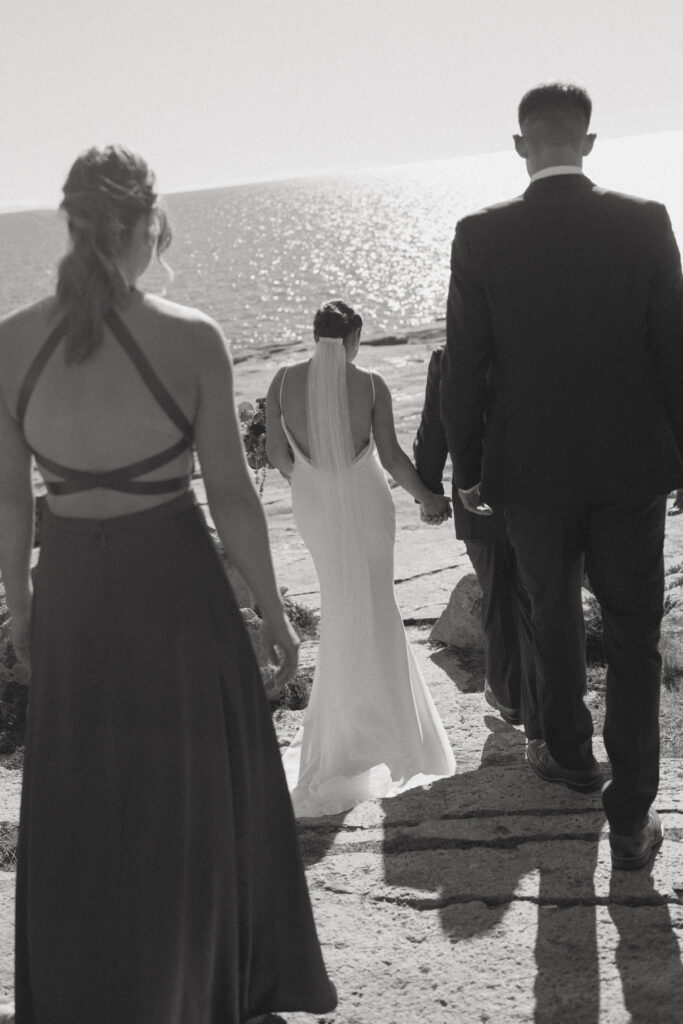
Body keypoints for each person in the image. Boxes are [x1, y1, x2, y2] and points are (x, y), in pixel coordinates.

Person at [0, 145, 337, 1023]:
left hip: (72, 586)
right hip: (174, 586)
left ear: (73, 225)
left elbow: (9, 502)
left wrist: (23, 608)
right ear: (149, 223)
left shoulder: (9, 342)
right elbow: (230, 491)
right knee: (193, 795)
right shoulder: (189, 335)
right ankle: (201, 989)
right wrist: (270, 610)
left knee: (85, 806)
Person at [440, 83, 683, 871]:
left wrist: (468, 466)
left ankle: (572, 761)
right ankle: (630, 815)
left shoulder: (481, 234)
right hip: (629, 467)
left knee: (549, 615)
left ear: (520, 146)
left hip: (531, 472)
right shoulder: (644, 222)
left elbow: (466, 362)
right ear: (587, 141)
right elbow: (671, 350)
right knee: (633, 634)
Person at [265, 300, 455, 817]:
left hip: (314, 504)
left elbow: (279, 457)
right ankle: (395, 736)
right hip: (368, 500)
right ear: (354, 338)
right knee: (377, 603)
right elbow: (391, 456)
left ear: (312, 334)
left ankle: (342, 739)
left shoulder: (281, 382)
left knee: (339, 606)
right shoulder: (371, 384)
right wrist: (430, 500)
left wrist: (316, 483)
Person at [414, 346, 535, 727]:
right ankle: (541, 693)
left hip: (476, 493)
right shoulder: (530, 340)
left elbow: (435, 426)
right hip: (537, 490)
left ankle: (510, 694)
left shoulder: (449, 357)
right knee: (536, 592)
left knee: (496, 591)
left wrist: (428, 492)